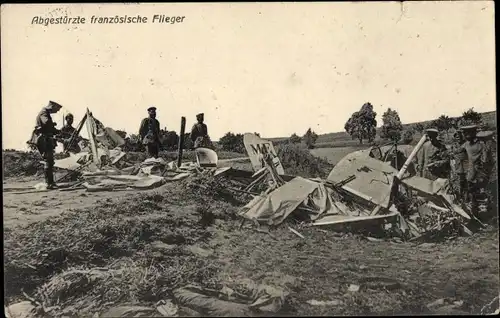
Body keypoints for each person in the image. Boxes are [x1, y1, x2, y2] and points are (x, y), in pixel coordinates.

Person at [32, 100, 63, 189]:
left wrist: (56, 131)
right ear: (52, 106)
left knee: (49, 161)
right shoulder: (44, 113)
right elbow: (46, 123)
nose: (57, 111)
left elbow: (48, 127)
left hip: (46, 139)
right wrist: (53, 126)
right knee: (48, 161)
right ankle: (49, 183)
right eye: (56, 109)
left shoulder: (45, 113)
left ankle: (50, 183)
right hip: (44, 140)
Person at [459, 125, 489, 219]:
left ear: (473, 133)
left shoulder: (481, 144)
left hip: (478, 174)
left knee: (479, 194)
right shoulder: (465, 144)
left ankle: (482, 214)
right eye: (464, 133)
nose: (465, 135)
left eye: (467, 133)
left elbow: (485, 160)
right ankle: (473, 214)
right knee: (470, 194)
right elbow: (460, 155)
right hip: (469, 173)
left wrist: (481, 173)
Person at [449, 130, 467, 202]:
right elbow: (451, 157)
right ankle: (459, 198)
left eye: (459, 137)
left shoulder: (466, 144)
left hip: (466, 167)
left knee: (466, 183)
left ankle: (466, 198)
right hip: (457, 167)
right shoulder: (453, 146)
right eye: (456, 137)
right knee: (458, 183)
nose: (458, 138)